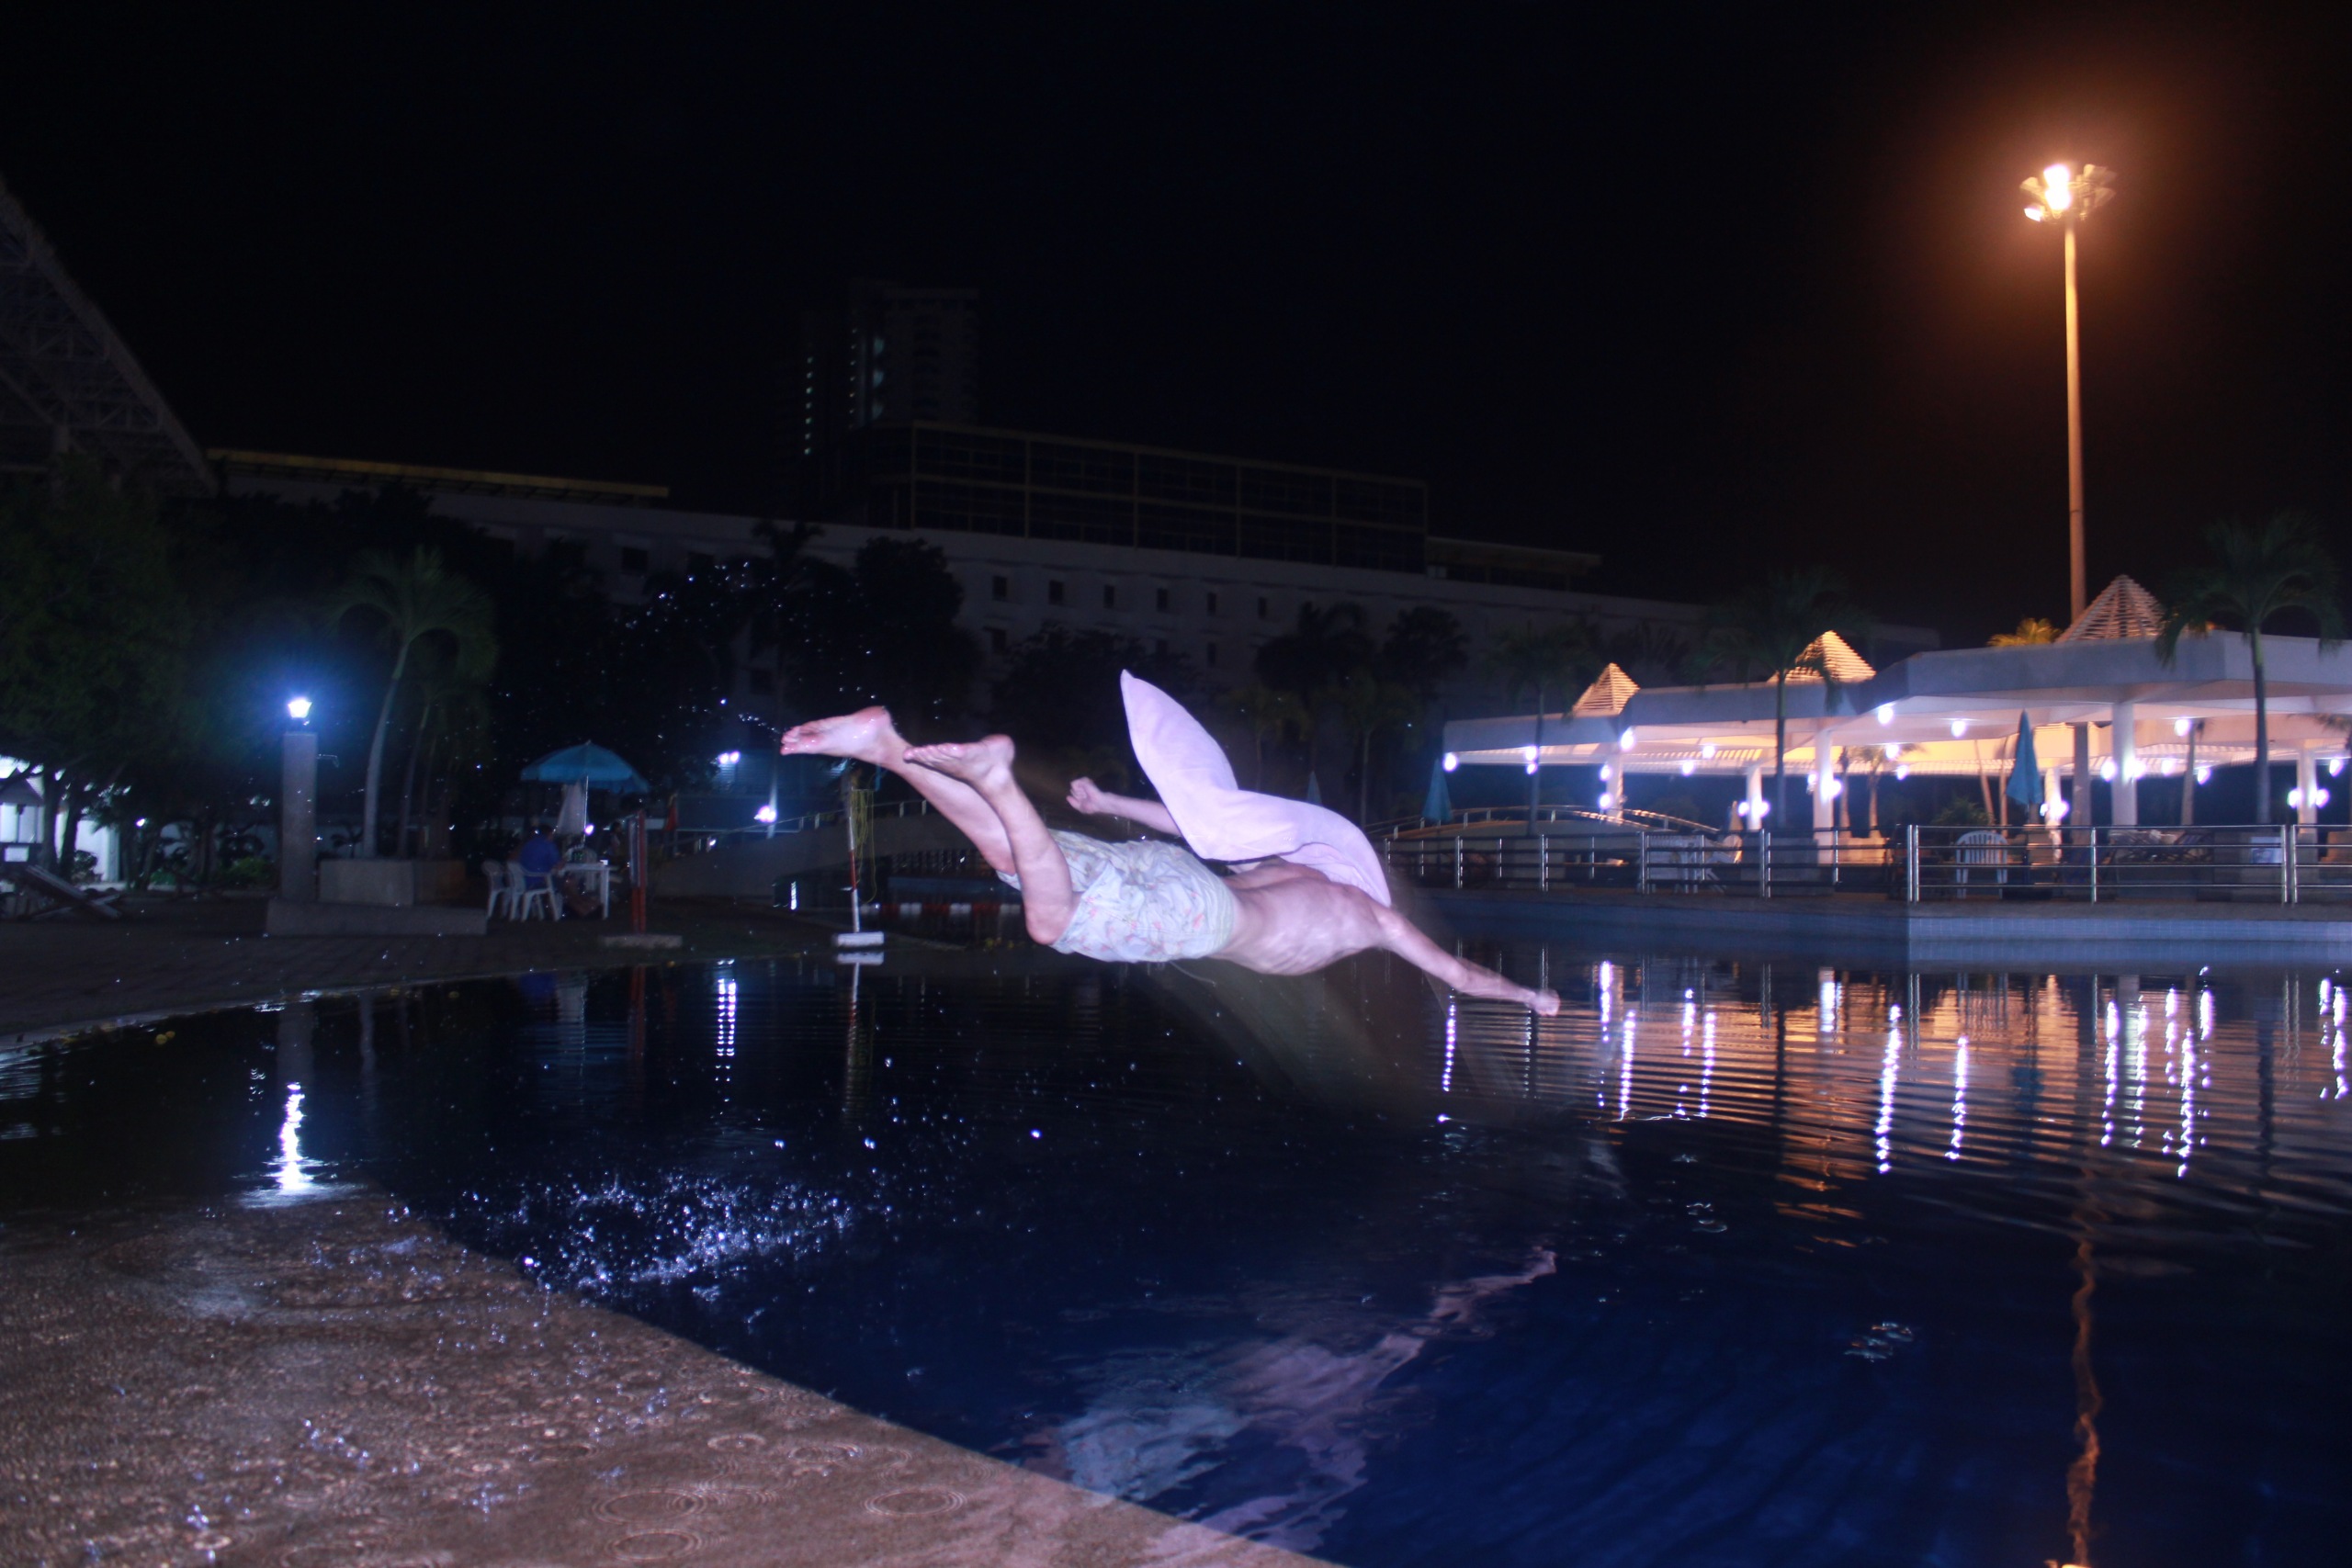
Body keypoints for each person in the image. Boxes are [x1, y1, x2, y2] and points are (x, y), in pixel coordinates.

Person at [779, 673, 1558, 1013]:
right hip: (1200, 916)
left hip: (1177, 872)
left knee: (1014, 857)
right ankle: (996, 775)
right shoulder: (1374, 918)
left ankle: (888, 746)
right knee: (1051, 921)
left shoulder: (1283, 861)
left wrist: (1110, 801)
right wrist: (1532, 996)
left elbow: (1198, 825)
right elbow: (1459, 976)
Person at [515, 822, 561, 908]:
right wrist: (565, 860)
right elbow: (559, 865)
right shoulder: (549, 845)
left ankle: (548, 907)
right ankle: (559, 909)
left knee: (558, 882)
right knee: (565, 883)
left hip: (523, 881)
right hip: (538, 881)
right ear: (550, 834)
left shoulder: (528, 844)